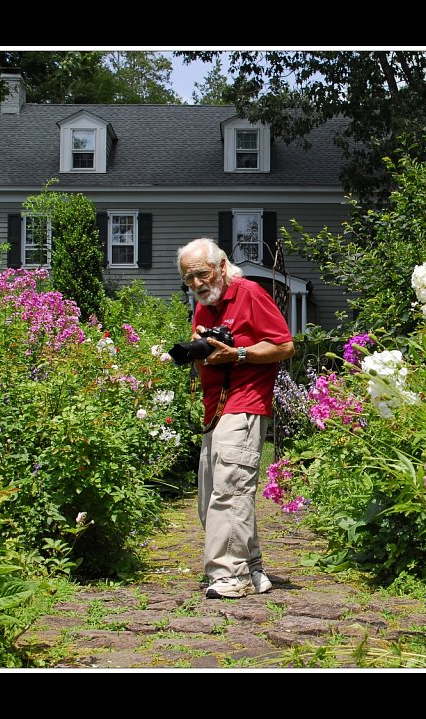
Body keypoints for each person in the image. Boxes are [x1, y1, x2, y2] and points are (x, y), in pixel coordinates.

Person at [176, 237, 295, 599]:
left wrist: (239, 354)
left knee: (229, 490)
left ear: (222, 266)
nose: (197, 284)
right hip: (216, 407)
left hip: (245, 402)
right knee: (215, 493)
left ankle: (229, 575)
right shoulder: (204, 306)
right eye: (188, 279)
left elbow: (285, 345)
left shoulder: (250, 293)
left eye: (202, 274)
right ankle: (253, 568)